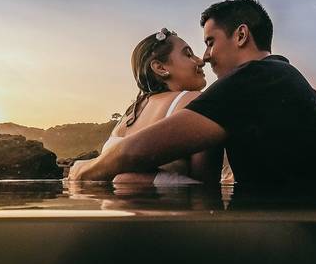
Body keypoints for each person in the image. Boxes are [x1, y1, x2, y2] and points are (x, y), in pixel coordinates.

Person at [70, 0, 316, 188]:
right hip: (314, 229)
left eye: (210, 42)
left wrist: (88, 170)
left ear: (241, 35)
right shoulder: (276, 75)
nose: (205, 57)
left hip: (309, 240)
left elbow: (136, 151)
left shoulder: (259, 78)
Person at [83, 28, 223, 185]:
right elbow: (207, 185)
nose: (200, 61)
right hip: (164, 206)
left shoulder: (130, 113)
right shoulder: (193, 100)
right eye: (188, 54)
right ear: (161, 68)